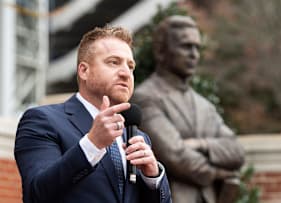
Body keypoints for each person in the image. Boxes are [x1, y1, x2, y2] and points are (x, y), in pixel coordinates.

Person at [14, 26, 172, 203]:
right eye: (113, 62)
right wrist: (92, 144)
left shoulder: (138, 137)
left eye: (130, 66)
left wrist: (153, 177)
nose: (126, 73)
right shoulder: (42, 121)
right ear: (84, 71)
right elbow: (36, 194)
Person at [132, 15, 245, 203]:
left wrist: (201, 144)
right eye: (186, 46)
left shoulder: (204, 105)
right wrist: (218, 173)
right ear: (161, 52)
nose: (194, 54)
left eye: (197, 47)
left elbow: (237, 151)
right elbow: (175, 156)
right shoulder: (146, 97)